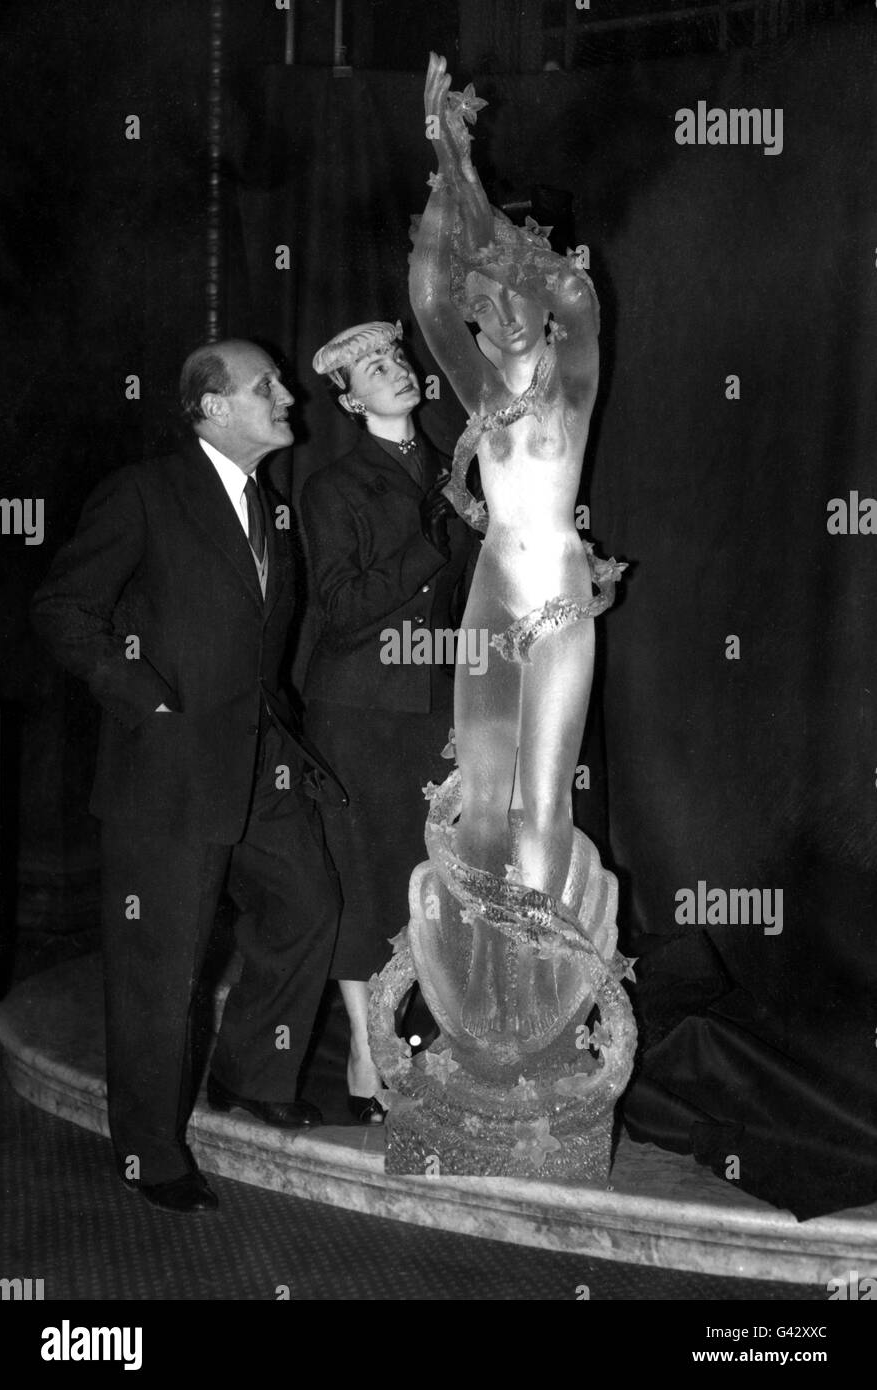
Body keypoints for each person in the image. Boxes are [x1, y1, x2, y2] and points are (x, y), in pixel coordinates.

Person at [31, 340, 344, 1213]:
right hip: (165, 778)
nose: (288, 394)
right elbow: (62, 608)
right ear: (211, 407)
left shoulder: (268, 509)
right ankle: (149, 1152)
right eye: (266, 386)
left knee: (307, 903)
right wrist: (146, 699)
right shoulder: (144, 492)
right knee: (159, 971)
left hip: (260, 774)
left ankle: (248, 1073)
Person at [408, 55, 625, 1041]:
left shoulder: (571, 376)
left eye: (508, 296)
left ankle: (539, 1005)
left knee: (543, 803)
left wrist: (469, 180)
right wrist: (439, 154)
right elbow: (424, 297)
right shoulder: (479, 395)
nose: (490, 318)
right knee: (482, 804)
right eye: (481, 306)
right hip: (493, 596)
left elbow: (572, 298)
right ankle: (484, 1006)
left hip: (560, 598)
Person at [302, 321, 474, 1121]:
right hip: (362, 710)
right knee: (369, 882)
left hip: (446, 705)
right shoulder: (333, 486)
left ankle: (435, 1047)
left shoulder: (457, 470)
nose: (394, 371)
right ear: (348, 398)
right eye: (373, 368)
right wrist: (436, 535)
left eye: (398, 358)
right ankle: (369, 1055)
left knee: (440, 881)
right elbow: (341, 610)